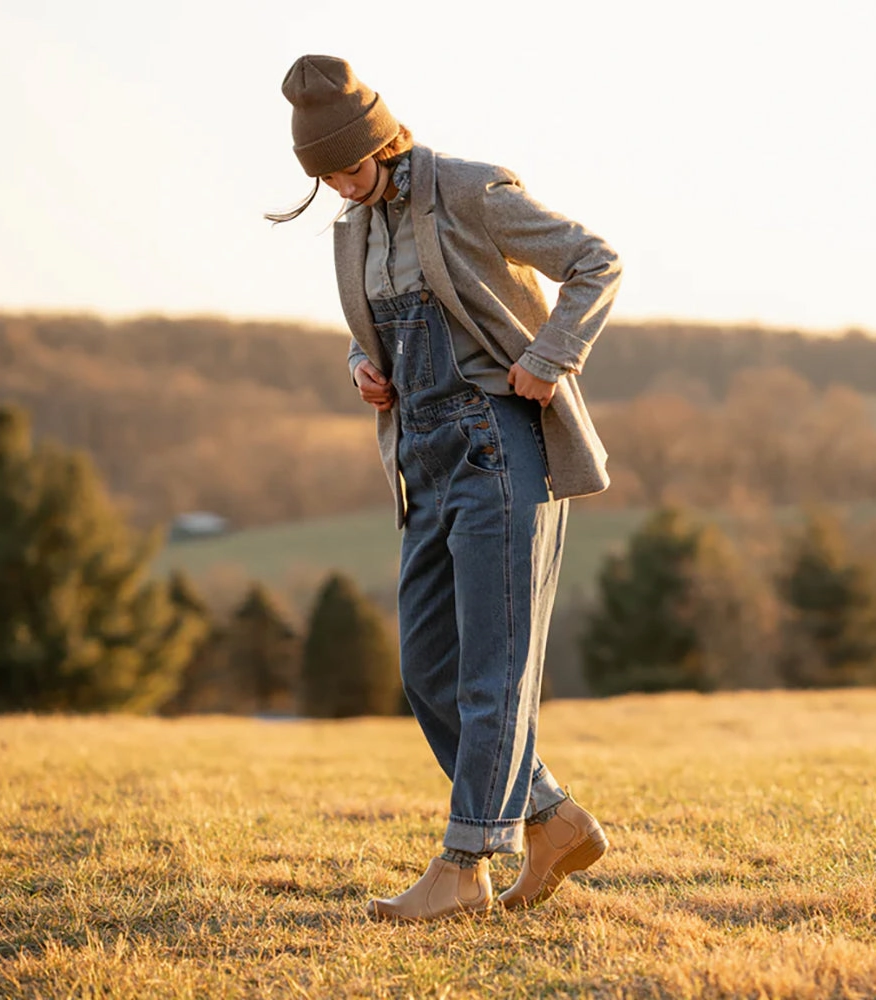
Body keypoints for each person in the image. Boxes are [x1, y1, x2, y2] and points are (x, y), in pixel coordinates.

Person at [269, 54, 622, 923]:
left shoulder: (469, 189)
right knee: (427, 668)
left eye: (346, 167)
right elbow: (375, 329)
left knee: (493, 672)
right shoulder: (355, 226)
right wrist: (361, 366)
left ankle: (465, 866)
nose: (339, 187)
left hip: (498, 447)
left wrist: (550, 357)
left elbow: (595, 261)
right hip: (420, 461)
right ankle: (553, 819)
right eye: (323, 176)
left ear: (382, 138)